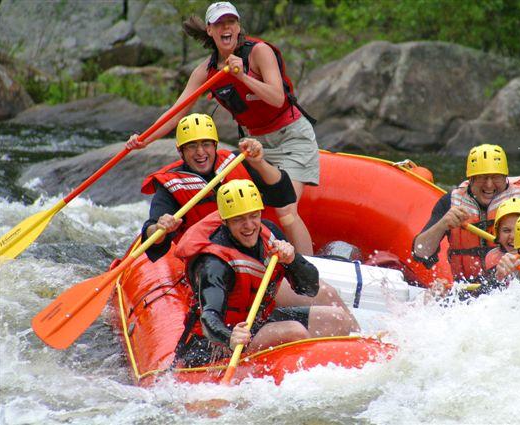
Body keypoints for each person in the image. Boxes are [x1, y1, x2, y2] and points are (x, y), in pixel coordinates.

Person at [126, 1, 317, 255]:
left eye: (231, 22)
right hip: (255, 144)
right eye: (219, 24)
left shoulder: (259, 53)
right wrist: (145, 139)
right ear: (210, 30)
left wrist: (242, 76)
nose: (226, 28)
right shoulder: (205, 71)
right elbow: (176, 113)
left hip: (291, 138)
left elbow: (277, 98)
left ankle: (308, 271)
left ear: (238, 28)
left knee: (286, 209)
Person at [174, 180, 356, 365]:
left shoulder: (270, 234)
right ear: (225, 221)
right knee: (294, 331)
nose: (249, 226)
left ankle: (361, 344)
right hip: (216, 341)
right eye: (238, 219)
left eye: (253, 216)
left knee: (337, 319)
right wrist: (230, 337)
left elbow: (310, 288)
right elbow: (208, 317)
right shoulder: (214, 264)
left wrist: (293, 261)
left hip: (259, 321)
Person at [140, 113, 295, 262]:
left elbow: (284, 195)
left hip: (253, 242)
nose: (200, 152)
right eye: (192, 146)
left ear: (215, 145)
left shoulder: (236, 161)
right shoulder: (171, 185)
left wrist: (259, 163)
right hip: (210, 258)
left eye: (206, 144)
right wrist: (159, 228)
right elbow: (152, 236)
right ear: (180, 151)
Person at [412, 143, 520, 283]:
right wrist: (442, 225)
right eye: (482, 177)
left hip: (514, 288)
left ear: (505, 177)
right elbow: (420, 254)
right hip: (467, 291)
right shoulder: (450, 203)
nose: (489, 185)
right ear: (470, 179)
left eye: (496, 177)